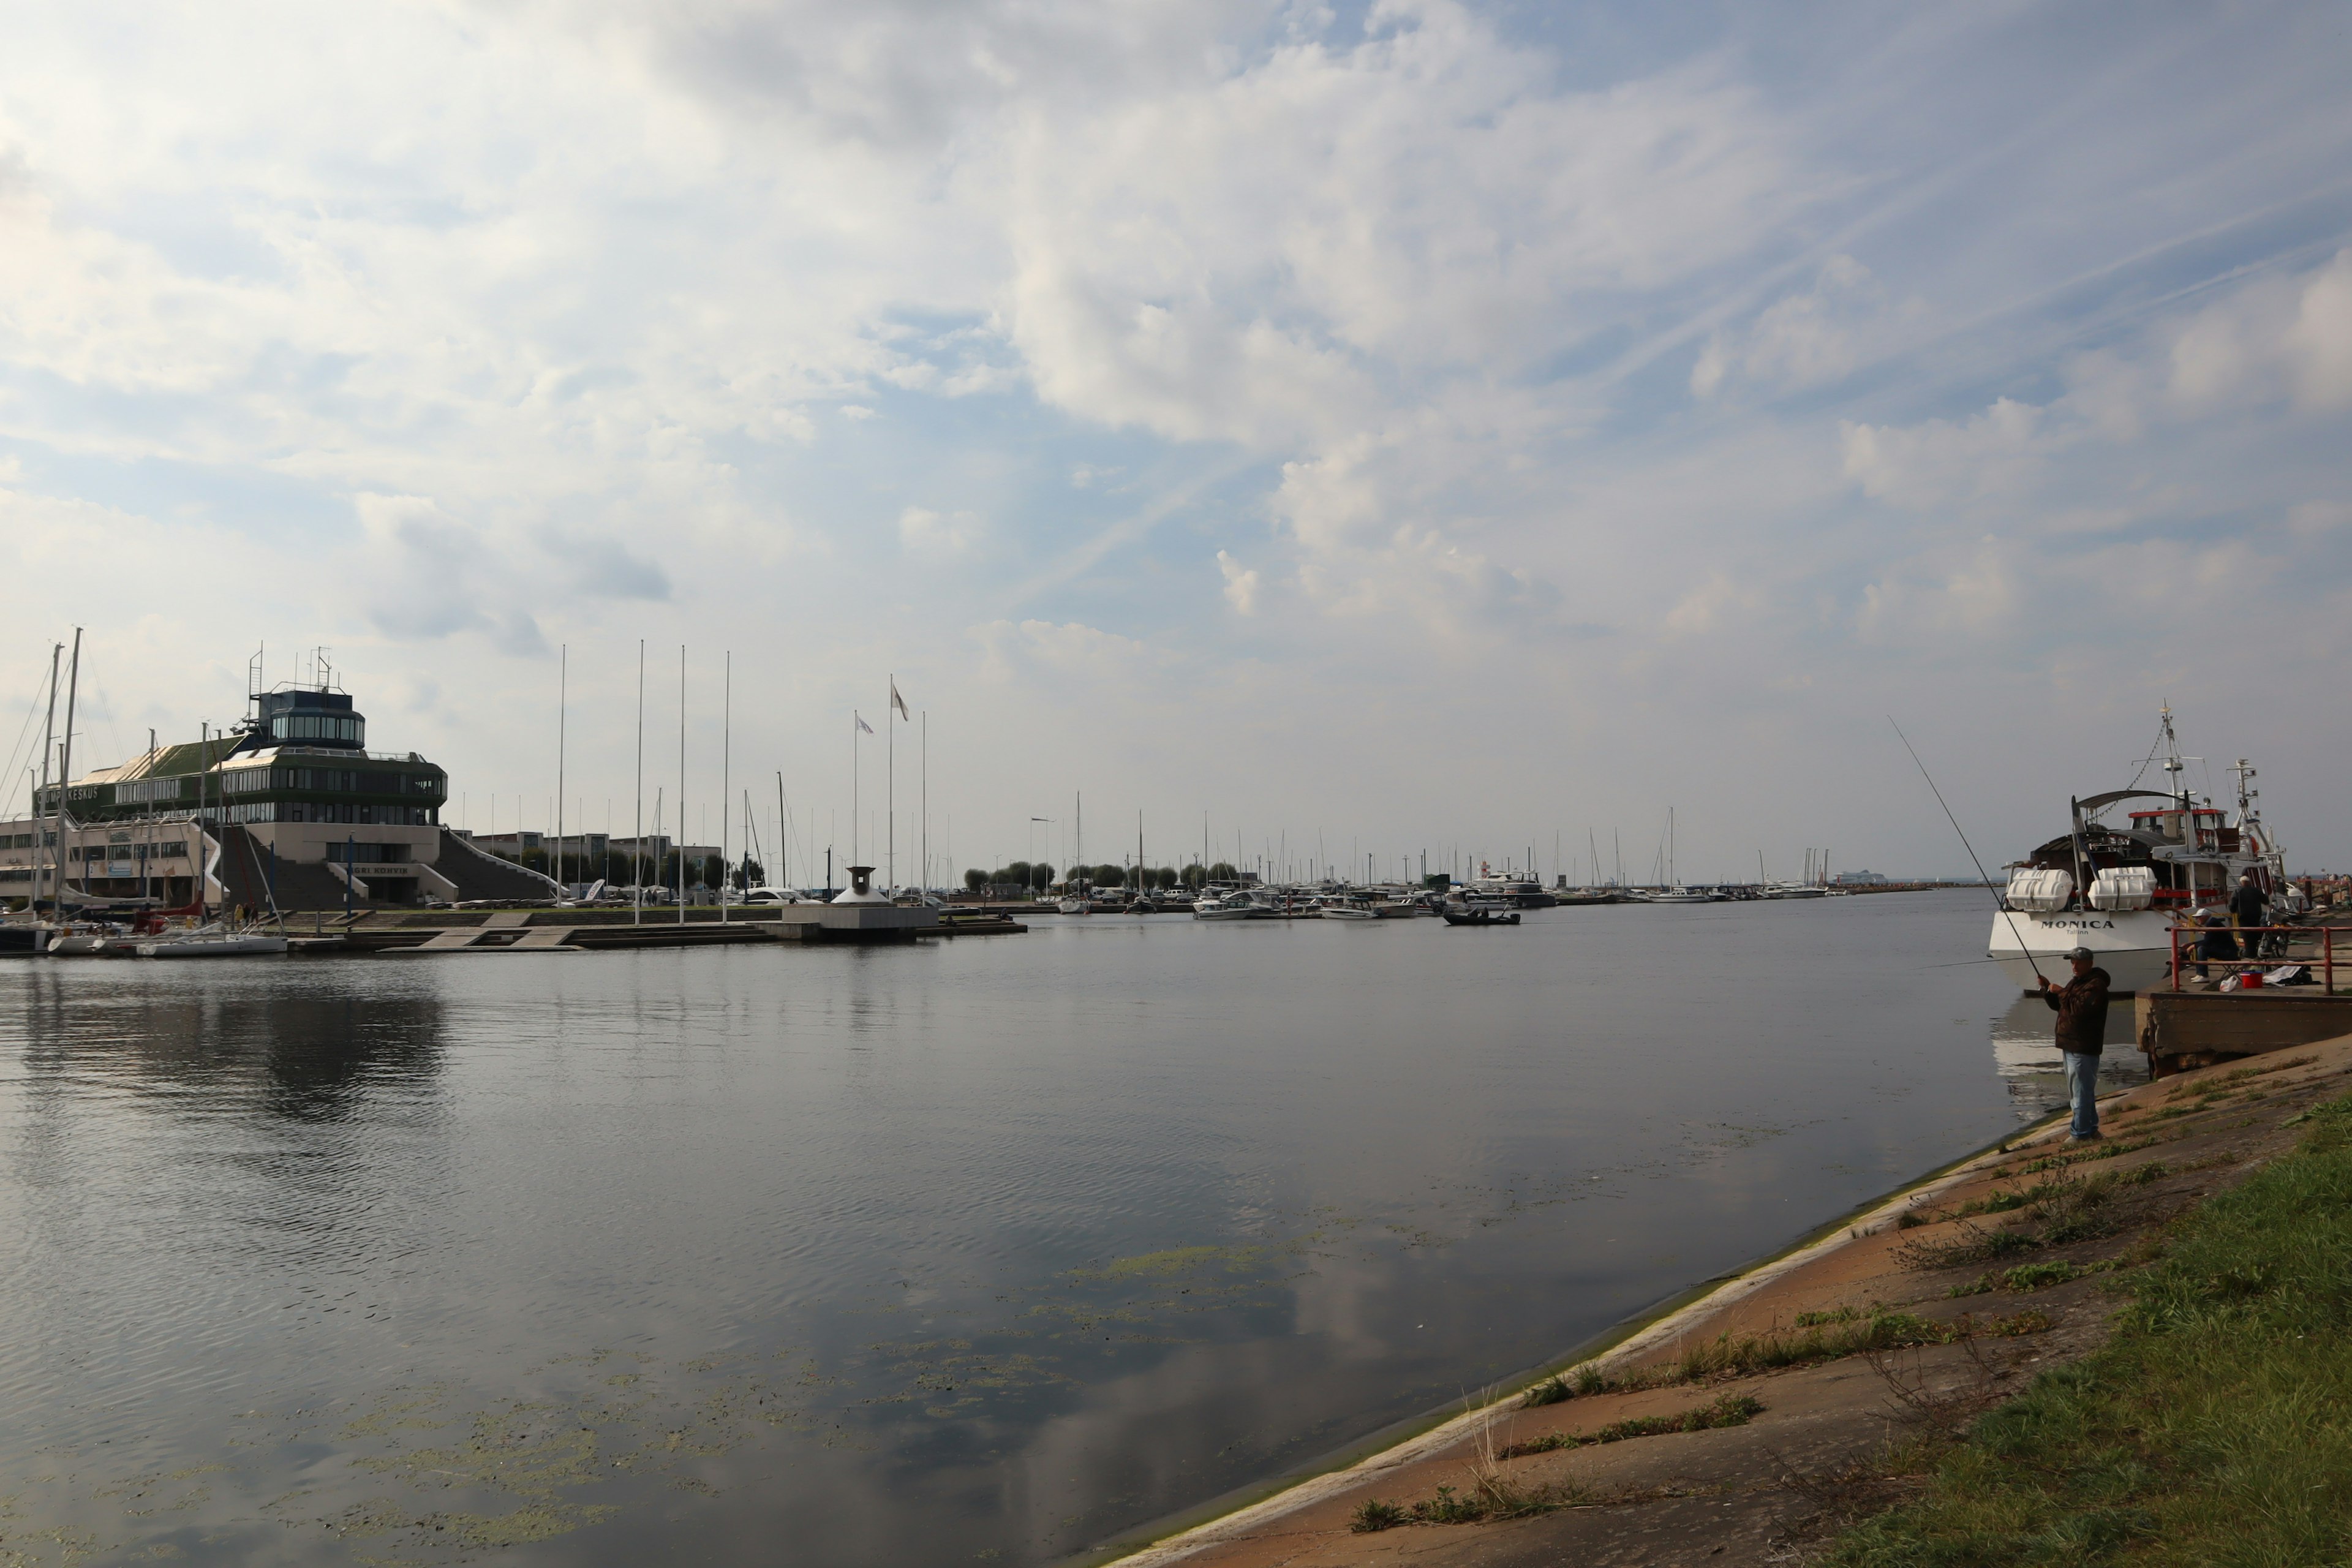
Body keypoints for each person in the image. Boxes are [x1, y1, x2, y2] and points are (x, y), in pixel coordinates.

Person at [2037, 946, 2110, 1141]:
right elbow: (2062, 1006)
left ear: (2090, 963)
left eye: (2078, 962)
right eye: (2072, 962)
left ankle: (2079, 1135)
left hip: (2083, 1046)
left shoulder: (2096, 985)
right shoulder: (2077, 982)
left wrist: (2060, 991)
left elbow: (2080, 1010)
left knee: (2080, 1094)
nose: (2075, 966)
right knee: (2081, 1092)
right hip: (2069, 1045)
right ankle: (2091, 1129)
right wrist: (2047, 990)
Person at [2231, 871, 2270, 961]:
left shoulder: (2238, 891)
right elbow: (2266, 900)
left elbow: (2232, 904)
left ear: (2241, 883)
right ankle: (2255, 951)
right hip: (2255, 916)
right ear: (2250, 883)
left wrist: (2233, 911)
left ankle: (2250, 953)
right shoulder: (2256, 891)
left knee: (2246, 935)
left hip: (2243, 917)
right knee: (2255, 934)